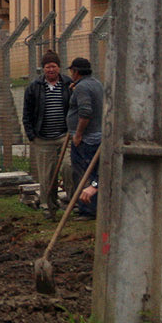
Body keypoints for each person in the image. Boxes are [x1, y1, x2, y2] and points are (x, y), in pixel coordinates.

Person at [22, 50, 71, 217]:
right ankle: (48, 206)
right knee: (47, 175)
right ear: (43, 69)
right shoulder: (34, 87)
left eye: (54, 66)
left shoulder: (68, 84)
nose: (51, 70)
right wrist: (32, 135)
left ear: (59, 67)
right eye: (48, 67)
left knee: (68, 167)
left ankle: (73, 202)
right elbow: (26, 114)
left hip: (64, 136)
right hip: (43, 138)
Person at [65, 56, 104, 219]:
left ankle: (87, 209)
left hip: (86, 138)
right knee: (94, 173)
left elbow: (86, 112)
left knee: (83, 173)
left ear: (76, 72)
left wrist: (78, 134)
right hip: (97, 135)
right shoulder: (96, 84)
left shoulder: (82, 88)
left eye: (72, 71)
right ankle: (89, 206)